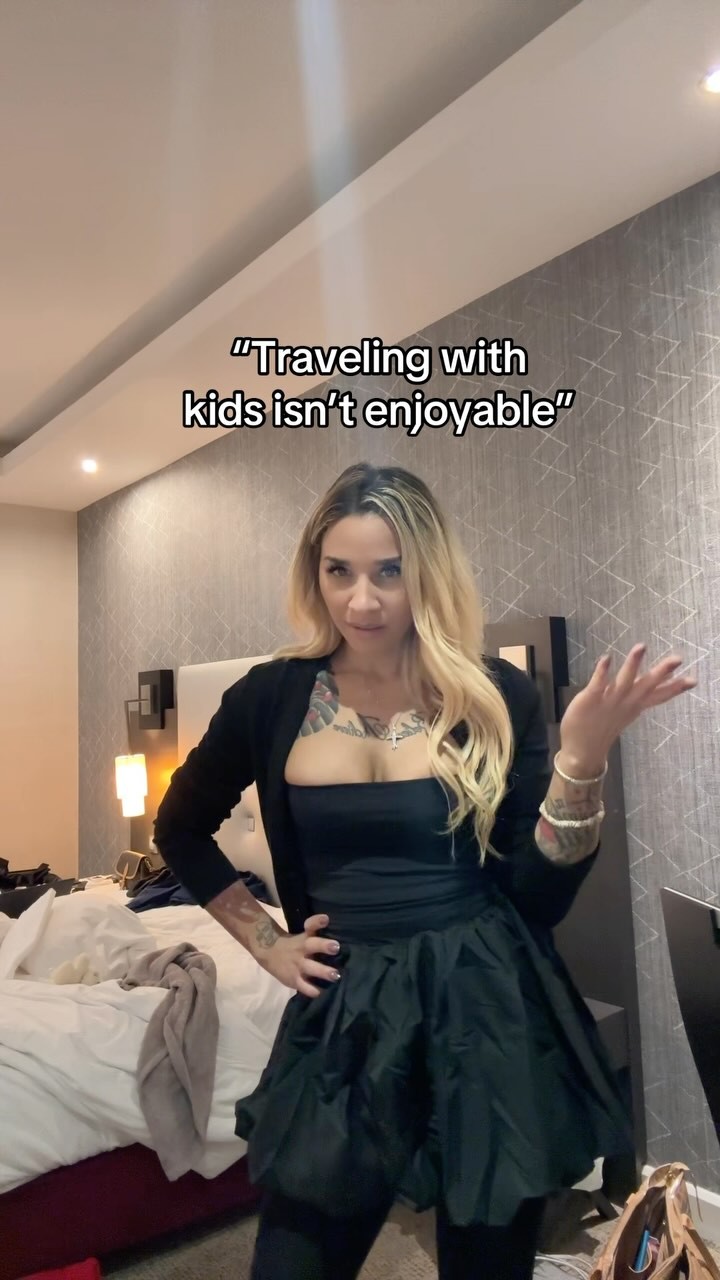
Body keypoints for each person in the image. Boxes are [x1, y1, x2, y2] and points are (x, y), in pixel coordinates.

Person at [153, 462, 695, 1280]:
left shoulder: (493, 694)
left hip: (486, 1003)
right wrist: (266, 942)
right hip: (347, 1008)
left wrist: (581, 759)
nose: (361, 601)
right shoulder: (272, 697)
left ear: (428, 573)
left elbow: (540, 897)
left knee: (487, 1263)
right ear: (314, 572)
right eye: (339, 571)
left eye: (389, 572)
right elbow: (181, 828)